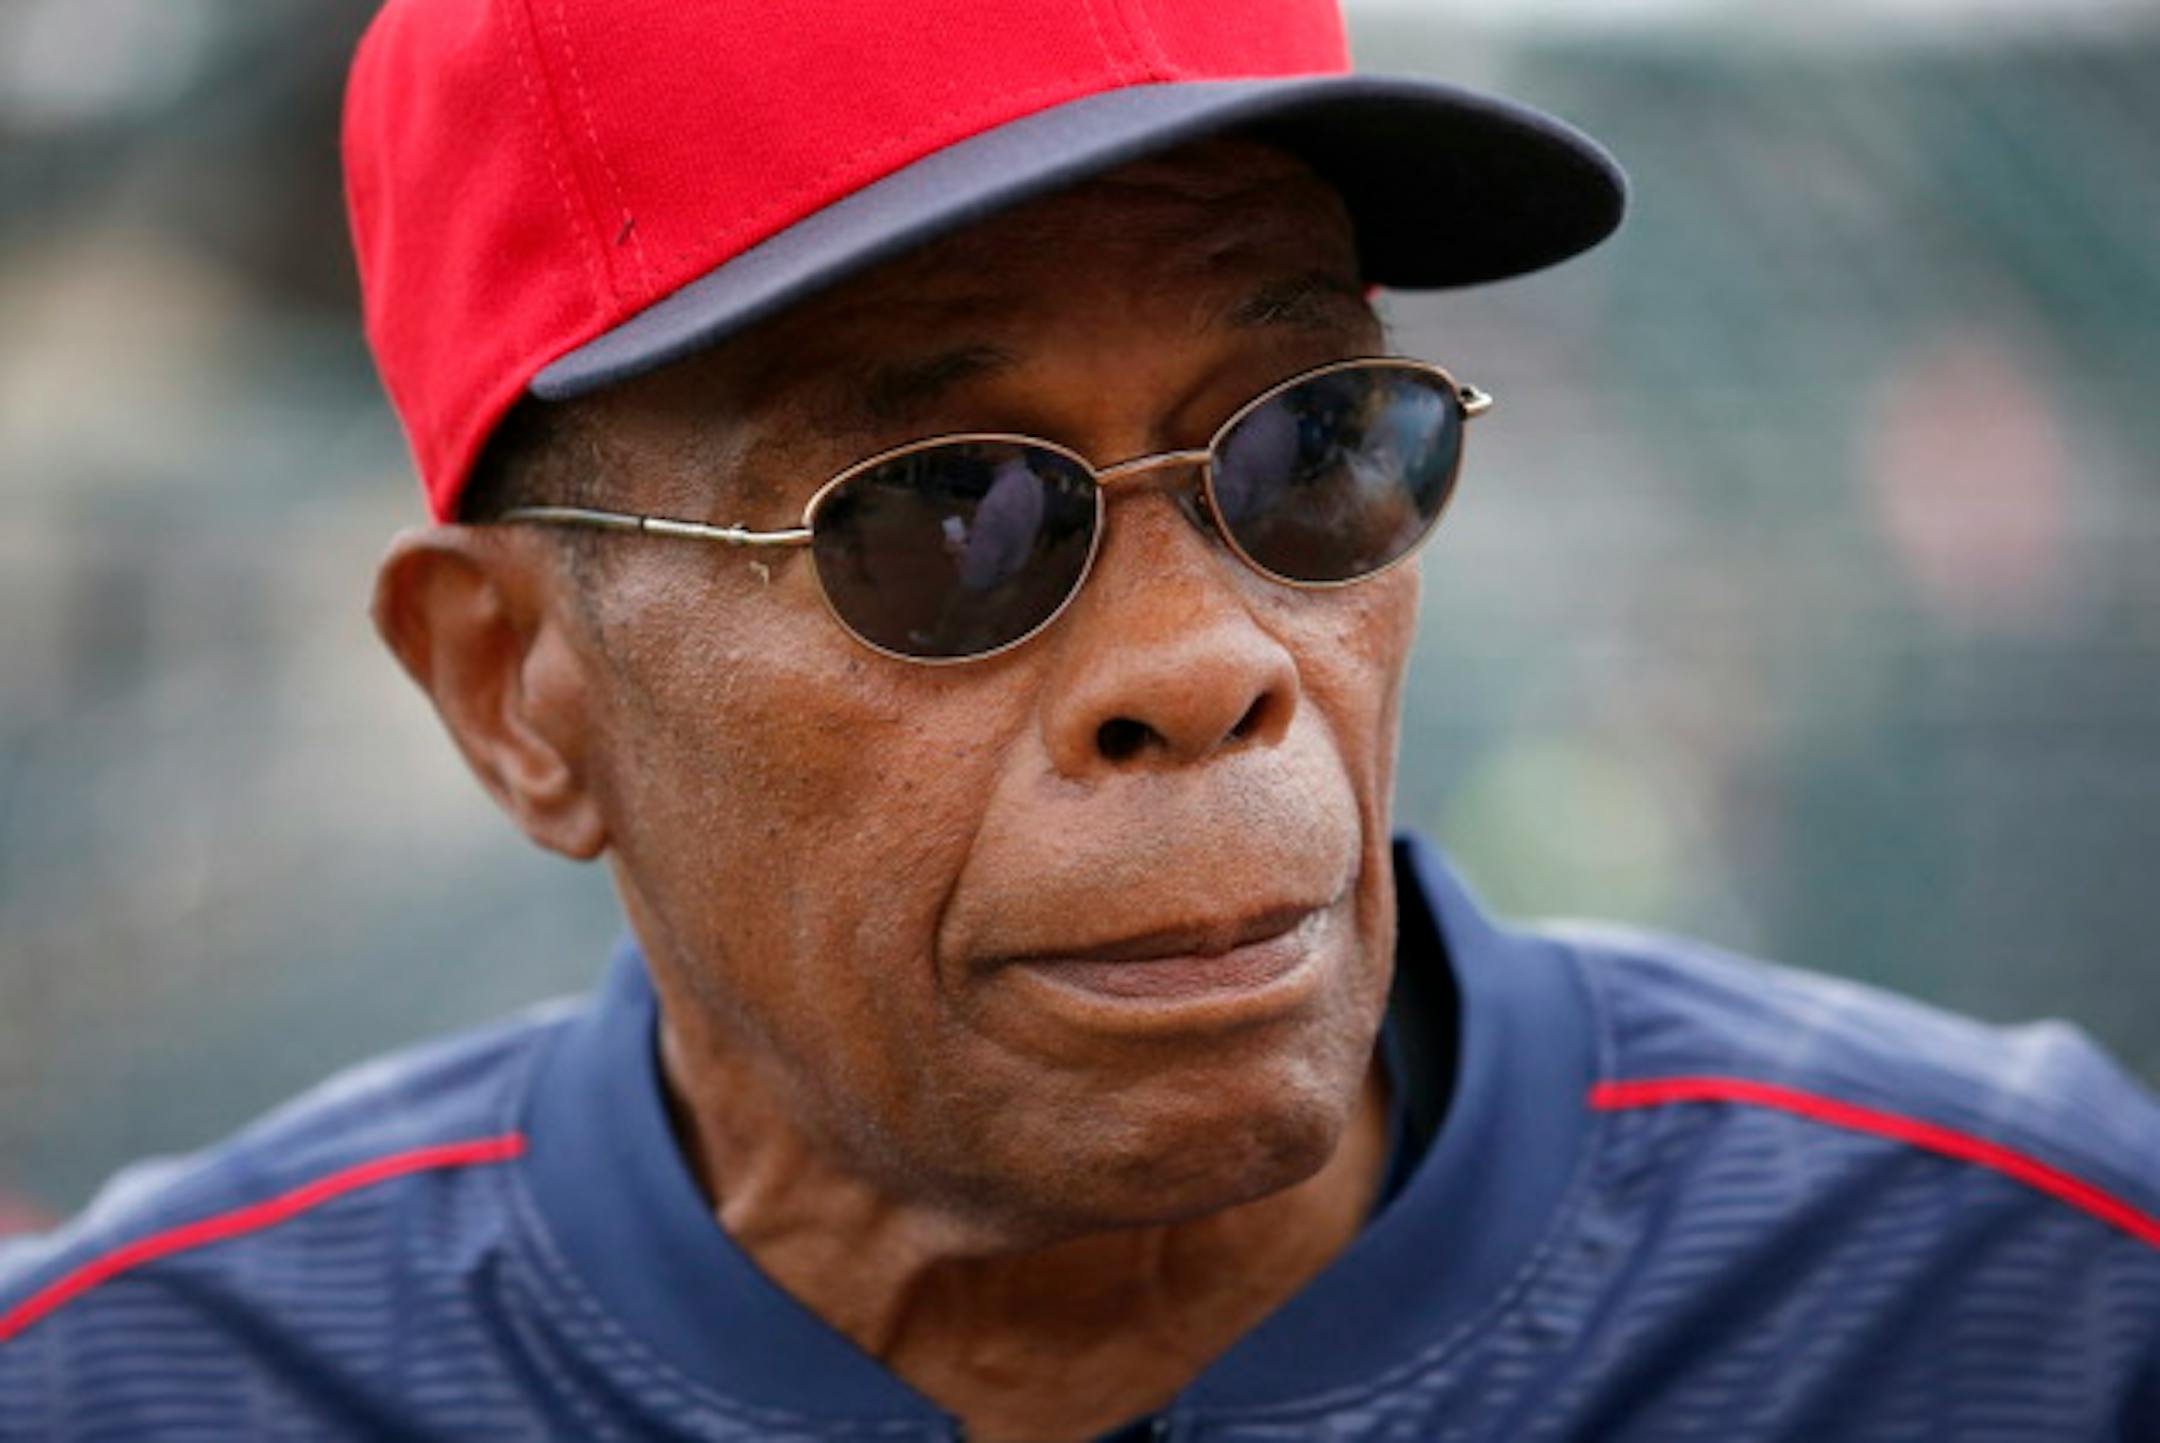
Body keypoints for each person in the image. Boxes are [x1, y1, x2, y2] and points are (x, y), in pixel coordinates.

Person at [2, 0, 2156, 1438]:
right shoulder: (149, 1386)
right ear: (515, 686)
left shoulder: (2019, 1291)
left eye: (1318, 444)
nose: (1204, 663)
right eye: (945, 512)